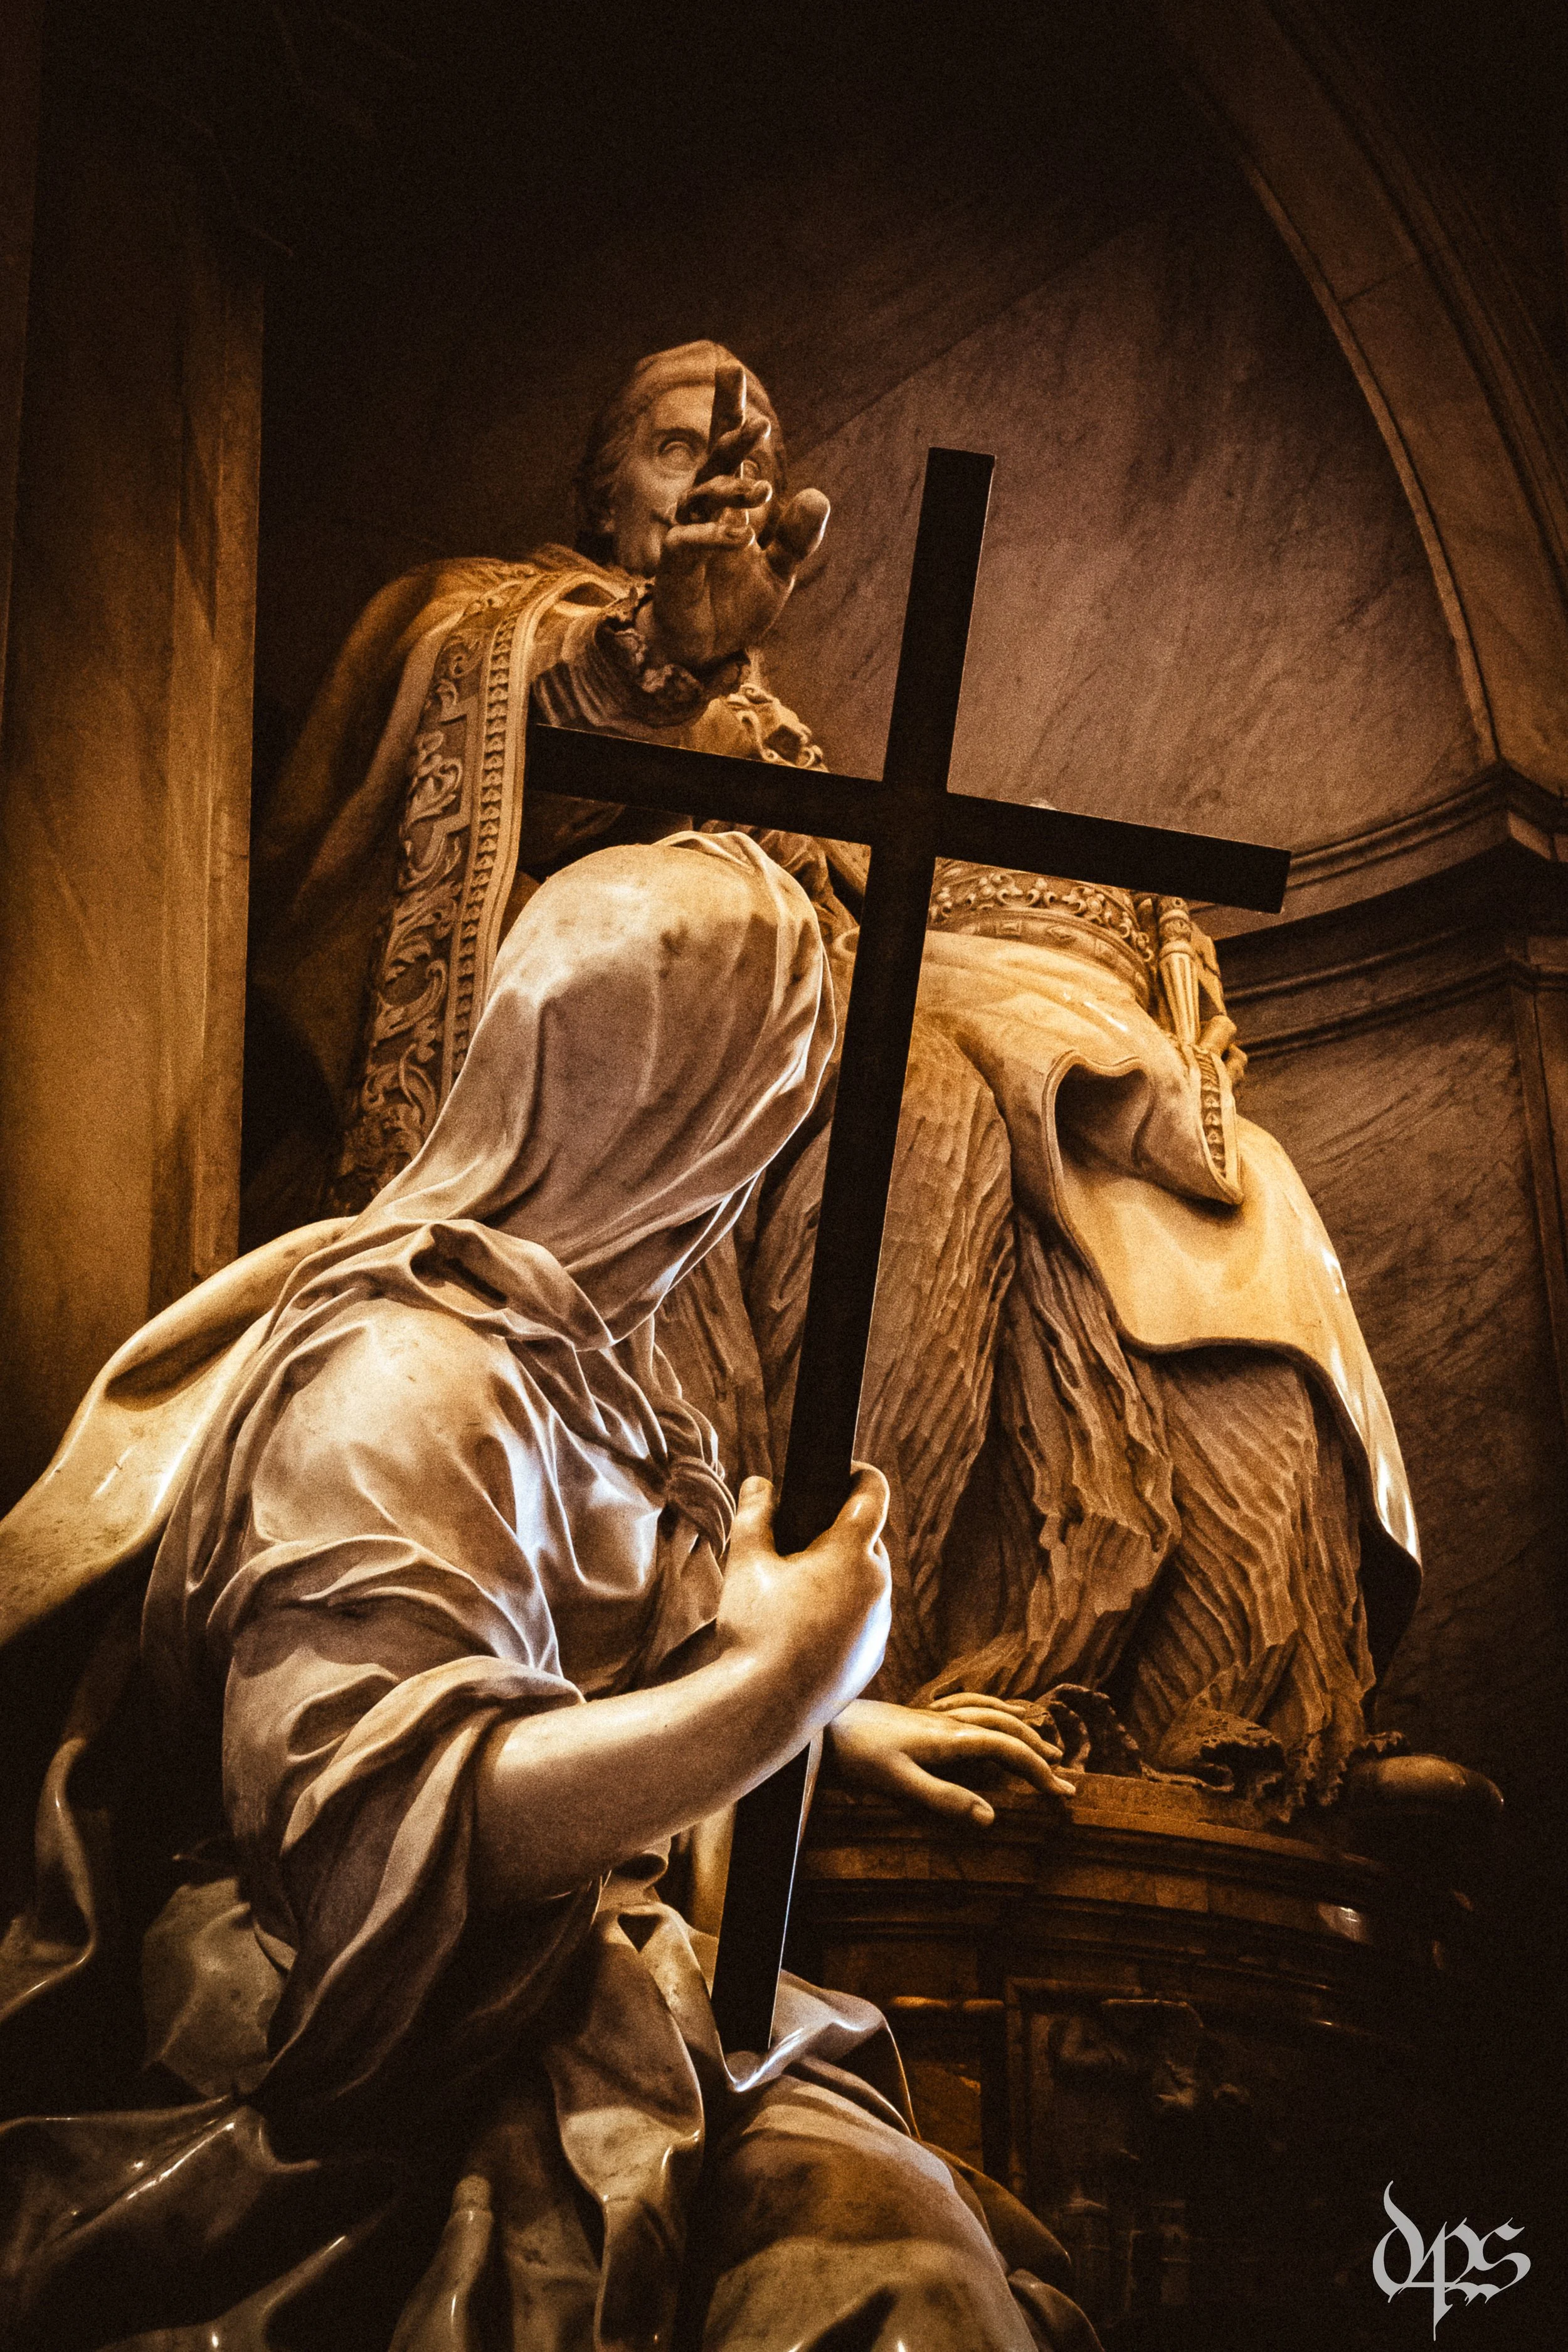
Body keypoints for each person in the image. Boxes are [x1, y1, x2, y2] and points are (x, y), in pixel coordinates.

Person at [243, 338, 1423, 1820]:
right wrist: (661, 648)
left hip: (788, 1049)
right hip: (602, 1072)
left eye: (750, 463)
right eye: (679, 451)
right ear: (597, 489)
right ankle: (808, 1665)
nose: (722, 487)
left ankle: (1198, 1696)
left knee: (1135, 1162)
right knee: (912, 1098)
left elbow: (863, 899)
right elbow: (504, 758)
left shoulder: (773, 724)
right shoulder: (497, 618)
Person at [0, 834, 1101, 2351]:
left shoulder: (574, 1370)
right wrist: (773, 1694)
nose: (750, 1178)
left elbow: (565, 1675)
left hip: (583, 1988)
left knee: (922, 2274)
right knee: (886, 2298)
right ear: (685, 1117)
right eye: (765, 1114)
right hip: (384, 2032)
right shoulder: (401, 1384)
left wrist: (822, 1723)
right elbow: (385, 1832)